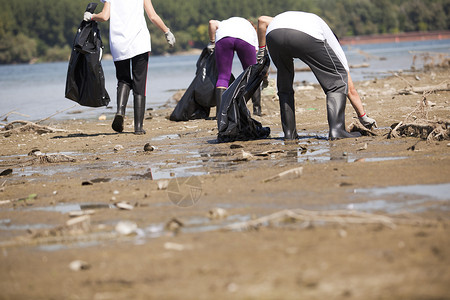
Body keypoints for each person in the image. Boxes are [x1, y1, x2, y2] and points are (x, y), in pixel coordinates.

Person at [257, 11, 377, 140]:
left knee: (284, 86)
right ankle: (337, 131)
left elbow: (262, 21)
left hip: (274, 34)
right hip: (305, 35)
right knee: (337, 82)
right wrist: (363, 116)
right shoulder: (333, 44)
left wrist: (262, 50)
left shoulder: (299, 20)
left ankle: (289, 134)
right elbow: (349, 88)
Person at [84, 0, 175, 135]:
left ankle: (120, 111)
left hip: (118, 44)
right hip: (140, 42)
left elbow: (104, 16)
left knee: (123, 80)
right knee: (140, 83)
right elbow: (153, 16)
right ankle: (138, 128)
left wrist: (91, 16)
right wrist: (167, 31)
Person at [207, 17, 262, 116]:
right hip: (245, 39)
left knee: (223, 76)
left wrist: (212, 42)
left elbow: (211, 23)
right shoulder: (251, 30)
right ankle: (257, 110)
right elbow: (256, 54)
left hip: (224, 37)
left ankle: (220, 113)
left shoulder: (223, 23)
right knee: (253, 74)